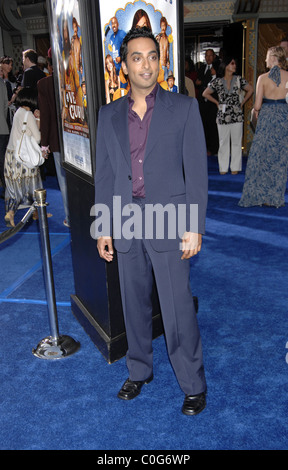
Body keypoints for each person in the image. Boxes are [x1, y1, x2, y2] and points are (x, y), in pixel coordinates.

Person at [94, 28, 208, 416]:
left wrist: (194, 226)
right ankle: (139, 369)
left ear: (161, 61)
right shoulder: (108, 115)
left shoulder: (184, 108)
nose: (146, 64)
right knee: (133, 304)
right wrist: (104, 226)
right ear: (124, 66)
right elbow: (106, 175)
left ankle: (193, 383)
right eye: (137, 58)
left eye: (153, 56)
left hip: (170, 220)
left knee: (178, 308)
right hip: (125, 220)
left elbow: (196, 173)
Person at [239, 46, 288, 208]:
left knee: (260, 157)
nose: (265, 60)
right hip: (283, 118)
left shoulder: (263, 78)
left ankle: (257, 196)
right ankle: (274, 198)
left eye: (267, 57)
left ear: (274, 58)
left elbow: (257, 105)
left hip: (267, 118)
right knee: (279, 158)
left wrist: (255, 113)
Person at [202, 56, 253, 174]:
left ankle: (235, 167)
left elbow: (250, 89)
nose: (234, 66)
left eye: (234, 63)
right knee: (223, 142)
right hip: (222, 115)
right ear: (226, 66)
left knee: (236, 142)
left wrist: (242, 103)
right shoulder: (217, 81)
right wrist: (216, 103)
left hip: (237, 115)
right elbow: (205, 93)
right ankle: (223, 168)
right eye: (232, 63)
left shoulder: (239, 79)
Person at [4, 88, 46, 227]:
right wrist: (38, 118)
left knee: (13, 188)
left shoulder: (18, 112)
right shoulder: (28, 114)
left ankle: (10, 212)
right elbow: (38, 138)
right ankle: (38, 212)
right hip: (23, 157)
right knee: (34, 183)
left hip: (11, 155)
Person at [37, 59, 70, 227]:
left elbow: (46, 116)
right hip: (79, 139)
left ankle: (70, 218)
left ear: (50, 66)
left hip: (57, 140)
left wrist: (44, 144)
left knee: (64, 181)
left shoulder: (44, 84)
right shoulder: (73, 79)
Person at [196, 49, 219, 155]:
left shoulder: (218, 68)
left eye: (210, 55)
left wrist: (203, 82)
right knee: (203, 125)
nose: (208, 58)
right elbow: (198, 81)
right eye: (206, 55)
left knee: (213, 126)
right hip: (202, 102)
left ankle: (213, 149)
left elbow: (215, 83)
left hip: (213, 102)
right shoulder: (202, 68)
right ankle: (204, 148)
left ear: (214, 56)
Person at [0, 75, 9, 197]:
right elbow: (5, 106)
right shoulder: (2, 83)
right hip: (2, 126)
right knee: (2, 158)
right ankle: (7, 186)